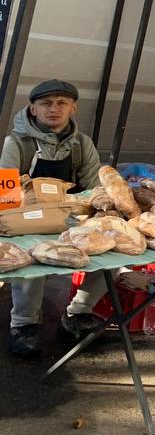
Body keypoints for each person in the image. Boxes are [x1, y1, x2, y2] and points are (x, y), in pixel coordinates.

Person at [2, 80, 106, 357]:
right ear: (33, 109)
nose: (54, 109)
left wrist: (102, 207)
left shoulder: (82, 144)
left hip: (70, 218)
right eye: (46, 103)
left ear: (73, 108)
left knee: (109, 257)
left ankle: (77, 316)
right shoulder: (17, 143)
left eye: (61, 103)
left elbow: (95, 187)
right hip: (26, 218)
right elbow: (6, 193)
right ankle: (24, 325)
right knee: (31, 259)